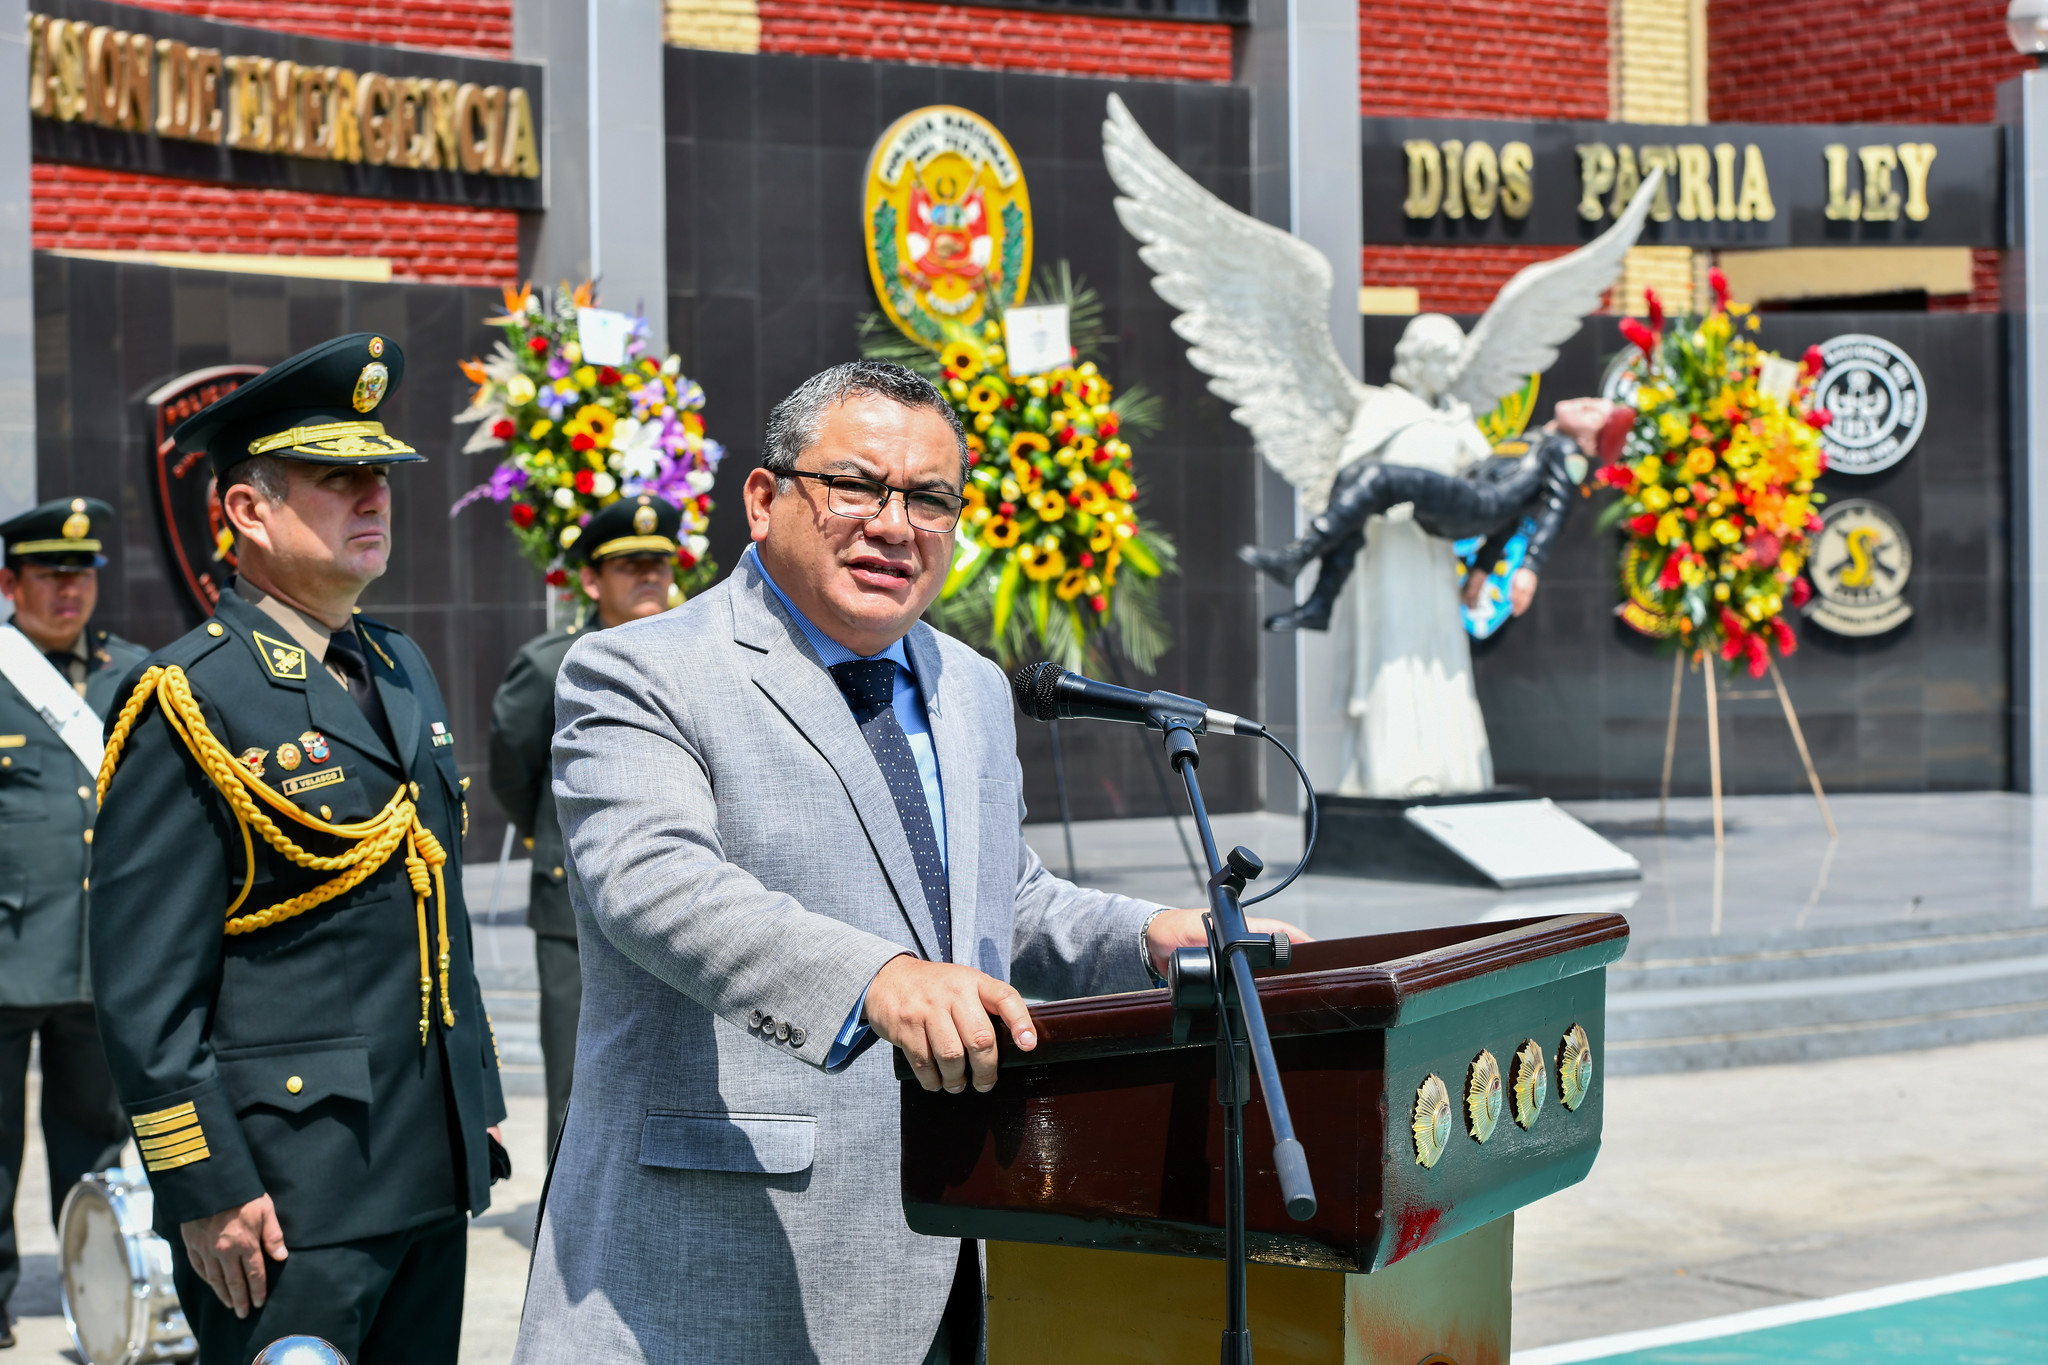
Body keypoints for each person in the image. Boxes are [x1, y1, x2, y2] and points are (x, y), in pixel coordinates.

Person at [512, 360, 1305, 1364]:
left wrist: (1146, 936)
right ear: (763, 499)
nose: (894, 524)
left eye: (929, 498)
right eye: (854, 486)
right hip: (708, 1280)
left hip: (951, 1254)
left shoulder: (967, 684)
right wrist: (874, 980)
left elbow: (994, 903)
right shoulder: (642, 670)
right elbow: (654, 882)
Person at [89, 334, 507, 1365]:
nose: (374, 498)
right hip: (284, 1194)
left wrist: (478, 1103)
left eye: (381, 477)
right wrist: (204, 1185)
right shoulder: (191, 698)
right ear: (245, 512)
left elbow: (432, 908)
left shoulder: (399, 664)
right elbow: (146, 997)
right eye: (337, 479)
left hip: (423, 1165)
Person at [490, 494, 685, 1151]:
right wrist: (555, 838)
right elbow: (514, 774)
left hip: (679, 905)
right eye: (630, 565)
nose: (650, 576)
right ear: (593, 580)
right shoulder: (551, 665)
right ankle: (567, 1246)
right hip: (572, 912)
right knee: (577, 1089)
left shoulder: (695, 659)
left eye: (659, 563)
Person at [0, 497, 143, 1349]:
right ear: (9, 581)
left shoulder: (131, 671)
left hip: (98, 954)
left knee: (94, 1137)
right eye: (51, 575)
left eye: (81, 575)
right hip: (7, 949)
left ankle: (98, 1284)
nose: (69, 592)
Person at [1240, 396, 1629, 630]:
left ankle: (1297, 557)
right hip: (1472, 504)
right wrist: (1480, 574)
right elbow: (1512, 518)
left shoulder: (1566, 452)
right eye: (1592, 401)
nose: (1586, 403)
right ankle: (1319, 604)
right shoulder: (1539, 440)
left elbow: (1556, 508)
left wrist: (1529, 568)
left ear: (1590, 441)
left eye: (1596, 412)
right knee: (1358, 482)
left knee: (1375, 475)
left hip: (1476, 503)